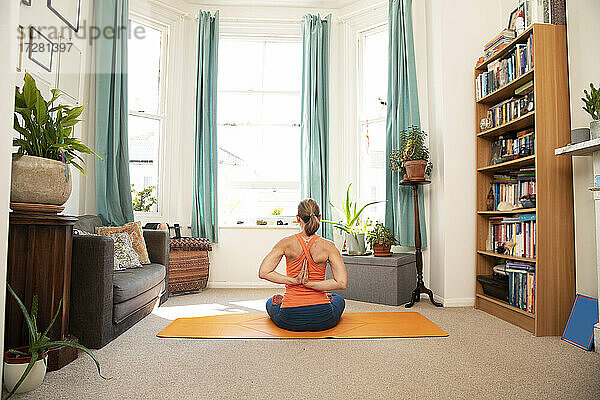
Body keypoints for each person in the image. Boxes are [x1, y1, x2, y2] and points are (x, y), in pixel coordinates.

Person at [258, 199, 347, 331]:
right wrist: (311, 284)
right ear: (319, 217)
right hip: (323, 318)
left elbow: (263, 272)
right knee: (338, 299)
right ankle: (326, 298)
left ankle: (283, 300)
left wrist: (294, 281)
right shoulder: (329, 246)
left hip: (290, 318)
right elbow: (341, 283)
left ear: (298, 219)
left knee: (270, 302)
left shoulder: (285, 243)